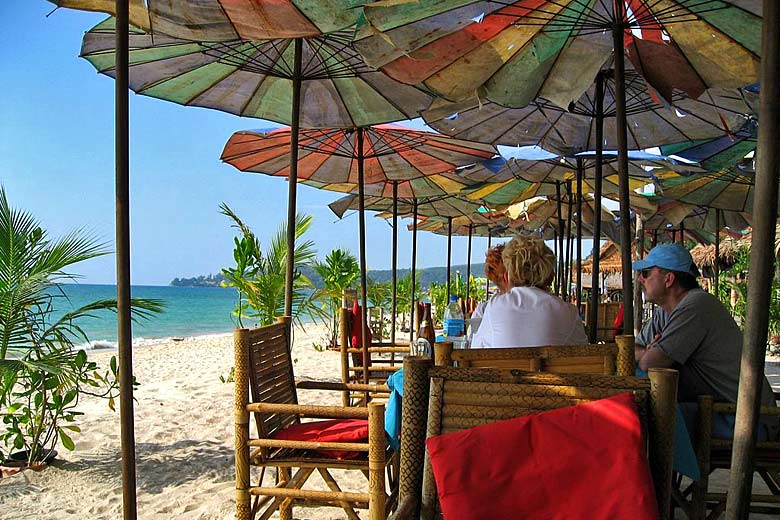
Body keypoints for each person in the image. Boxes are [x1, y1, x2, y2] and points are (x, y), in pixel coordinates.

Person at [633, 243, 778, 439]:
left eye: (647, 272)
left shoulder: (696, 305)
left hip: (748, 419)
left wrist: (650, 354)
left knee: (648, 419)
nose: (641, 278)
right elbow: (631, 350)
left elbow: (649, 363)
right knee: (645, 411)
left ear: (668, 279)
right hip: (717, 409)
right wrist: (648, 352)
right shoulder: (664, 312)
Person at [470, 236, 587, 348]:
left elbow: (476, 350)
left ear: (510, 272)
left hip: (507, 369)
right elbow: (584, 358)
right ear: (549, 272)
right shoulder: (568, 312)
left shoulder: (495, 307)